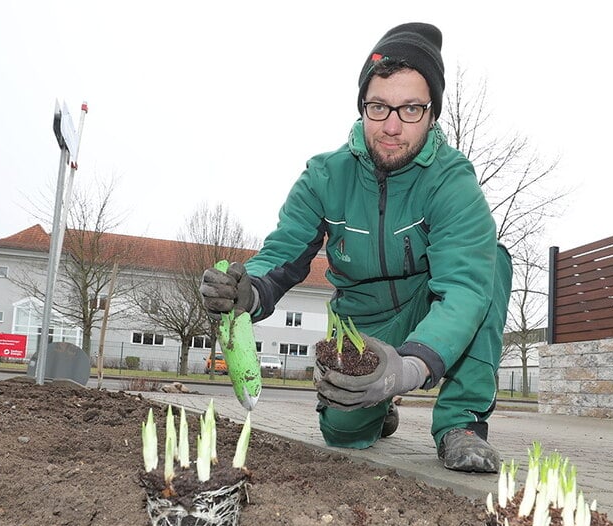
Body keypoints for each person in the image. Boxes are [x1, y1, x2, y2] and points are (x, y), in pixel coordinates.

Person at [200, 22, 512, 473]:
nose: (391, 125)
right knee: (343, 434)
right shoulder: (325, 177)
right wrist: (246, 292)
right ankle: (376, 412)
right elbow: (284, 254)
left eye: (410, 109)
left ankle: (460, 423)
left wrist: (410, 367)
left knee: (492, 265)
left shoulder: (453, 182)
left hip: (432, 304)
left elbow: (463, 289)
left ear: (432, 113)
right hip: (362, 324)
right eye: (378, 106)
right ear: (362, 106)